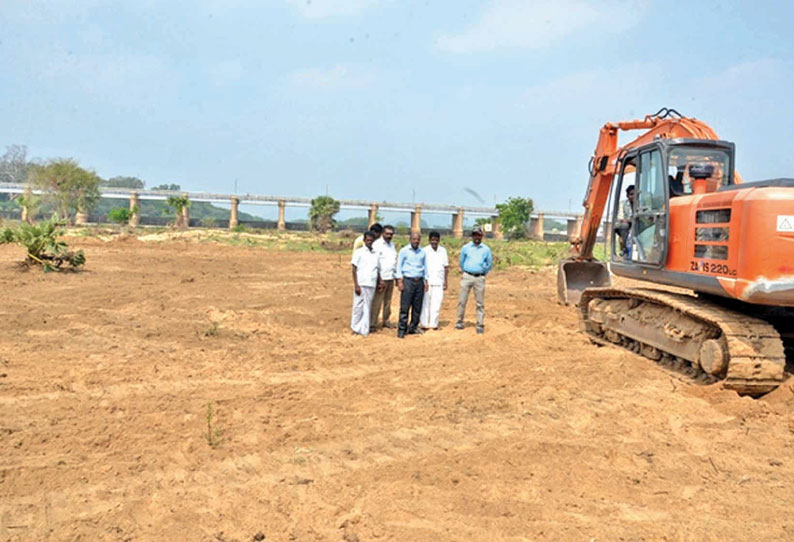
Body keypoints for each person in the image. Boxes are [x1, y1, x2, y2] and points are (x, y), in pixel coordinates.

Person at [456, 226, 492, 334]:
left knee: (480, 303)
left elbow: (489, 264)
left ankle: (480, 324)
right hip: (467, 276)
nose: (477, 237)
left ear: (482, 236)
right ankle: (459, 321)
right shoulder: (466, 248)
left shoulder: (486, 249)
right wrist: (466, 270)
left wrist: (482, 272)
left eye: (479, 235)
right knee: (462, 300)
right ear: (472, 236)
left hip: (479, 278)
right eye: (475, 235)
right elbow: (461, 262)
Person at [395, 231, 428, 338]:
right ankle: (401, 329)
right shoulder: (404, 251)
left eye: (418, 239)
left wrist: (426, 281)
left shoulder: (422, 252)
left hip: (419, 282)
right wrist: (400, 281)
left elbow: (425, 267)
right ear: (410, 240)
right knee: (405, 306)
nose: (416, 241)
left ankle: (413, 327)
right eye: (414, 239)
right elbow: (398, 266)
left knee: (417, 307)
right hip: (408, 281)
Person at [350, 230, 381, 337]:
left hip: (371, 283)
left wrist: (379, 282)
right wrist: (356, 285)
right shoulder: (359, 252)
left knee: (367, 307)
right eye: (367, 240)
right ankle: (355, 328)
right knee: (358, 306)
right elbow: (354, 269)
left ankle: (364, 329)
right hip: (361, 283)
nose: (369, 242)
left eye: (371, 240)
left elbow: (378, 269)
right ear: (364, 240)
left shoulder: (376, 253)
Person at [420, 231, 449, 330]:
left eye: (436, 240)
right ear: (429, 240)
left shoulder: (443, 251)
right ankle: (424, 323)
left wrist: (445, 281)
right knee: (425, 303)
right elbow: (422, 267)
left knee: (436, 304)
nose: (434, 242)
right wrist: (424, 281)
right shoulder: (424, 251)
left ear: (439, 240)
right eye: (432, 240)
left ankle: (434, 324)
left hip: (439, 281)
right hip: (427, 282)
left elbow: (446, 267)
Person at [370, 225, 397, 330]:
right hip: (381, 278)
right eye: (387, 234)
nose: (389, 236)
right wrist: (379, 279)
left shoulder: (392, 245)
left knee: (388, 301)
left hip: (390, 277)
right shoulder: (377, 245)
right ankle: (372, 323)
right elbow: (375, 263)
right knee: (377, 301)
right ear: (382, 233)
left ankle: (386, 320)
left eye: (391, 234)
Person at [614, 185, 635, 258]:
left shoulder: (640, 203)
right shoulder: (623, 204)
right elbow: (620, 218)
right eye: (631, 194)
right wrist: (630, 221)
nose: (633, 196)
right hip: (625, 226)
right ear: (628, 195)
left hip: (636, 224)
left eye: (635, 194)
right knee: (624, 226)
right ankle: (625, 250)